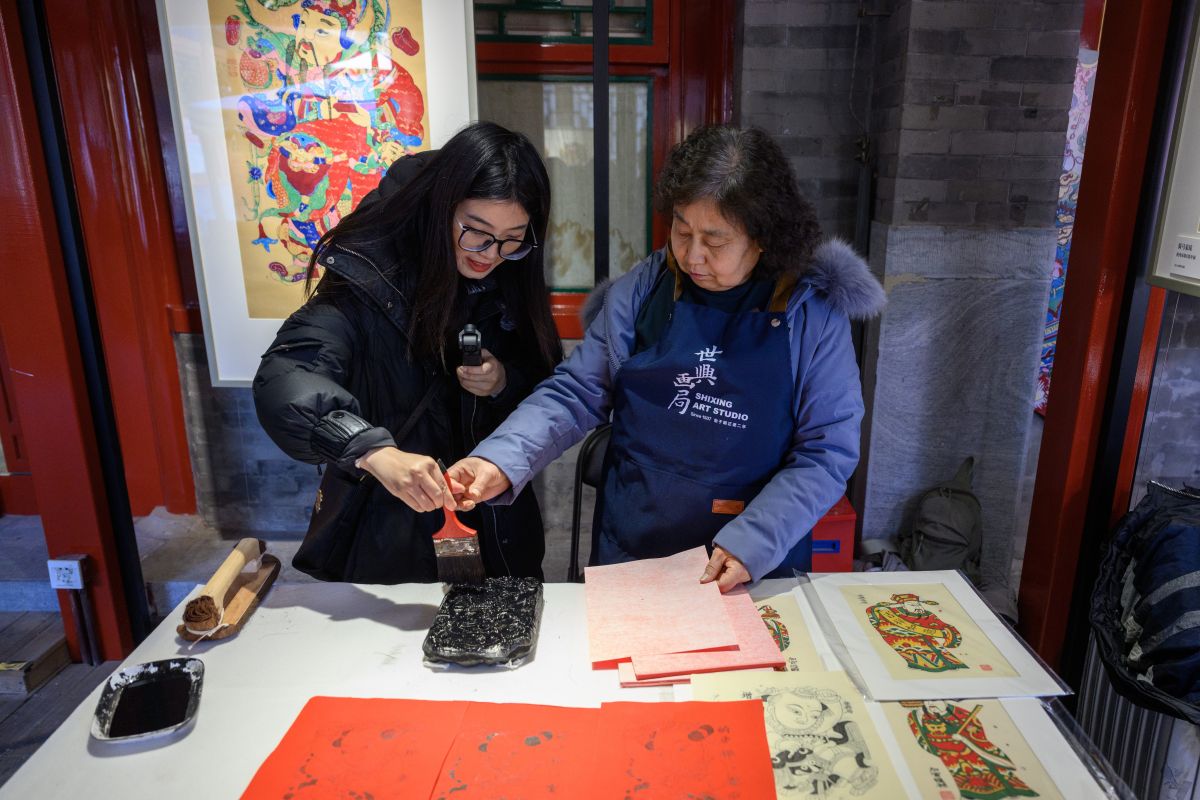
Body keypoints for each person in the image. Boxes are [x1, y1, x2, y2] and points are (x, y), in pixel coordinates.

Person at [449, 125, 885, 591]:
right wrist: (499, 460)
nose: (693, 256)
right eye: (682, 229)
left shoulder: (810, 313)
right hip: (634, 543)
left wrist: (755, 541)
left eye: (715, 241)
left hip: (751, 558)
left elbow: (826, 452)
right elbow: (574, 394)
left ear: (762, 238)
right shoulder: (644, 289)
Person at [254, 122, 562, 583]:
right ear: (441, 210)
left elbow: (547, 387)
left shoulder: (511, 276)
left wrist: (503, 382)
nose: (491, 253)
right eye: (476, 232)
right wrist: (369, 449)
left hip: (497, 522)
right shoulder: (369, 277)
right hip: (389, 528)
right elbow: (287, 373)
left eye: (513, 237)